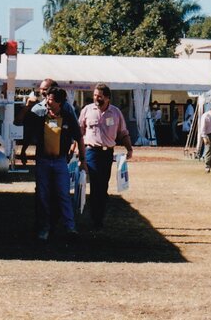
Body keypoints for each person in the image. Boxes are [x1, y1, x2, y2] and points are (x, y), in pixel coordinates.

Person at [23, 88, 84, 240]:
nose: (47, 102)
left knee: (63, 194)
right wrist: (23, 150)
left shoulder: (68, 117)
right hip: (43, 161)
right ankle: (44, 228)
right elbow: (28, 133)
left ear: (59, 102)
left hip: (60, 162)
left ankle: (70, 227)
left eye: (50, 99)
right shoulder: (39, 115)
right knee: (43, 196)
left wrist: (83, 159)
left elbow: (79, 137)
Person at [79, 83, 133, 227]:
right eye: (95, 95)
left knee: (103, 185)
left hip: (107, 153)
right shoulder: (87, 110)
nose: (96, 98)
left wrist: (129, 149)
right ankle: (96, 218)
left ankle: (98, 215)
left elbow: (123, 132)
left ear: (108, 98)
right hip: (91, 152)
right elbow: (79, 132)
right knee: (96, 183)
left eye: (100, 96)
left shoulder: (116, 113)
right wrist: (76, 151)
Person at [15, 78, 76, 165]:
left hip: (61, 157)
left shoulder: (67, 108)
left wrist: (72, 150)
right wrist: (23, 150)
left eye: (45, 89)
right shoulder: (37, 108)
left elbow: (76, 131)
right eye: (41, 89)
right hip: (42, 156)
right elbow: (28, 129)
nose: (42, 91)